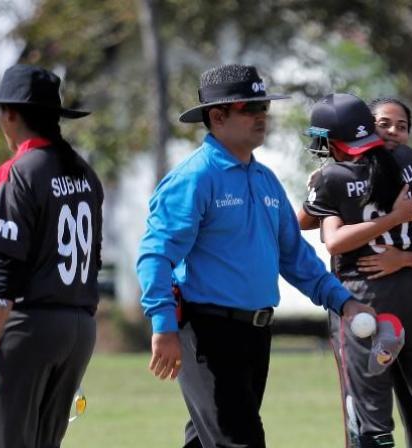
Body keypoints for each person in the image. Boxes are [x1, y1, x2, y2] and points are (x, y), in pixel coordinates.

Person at [136, 64, 374, 447]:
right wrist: (162, 324)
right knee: (241, 440)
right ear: (217, 116)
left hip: (255, 334)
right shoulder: (195, 177)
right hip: (207, 332)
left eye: (264, 105)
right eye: (250, 107)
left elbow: (295, 257)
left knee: (208, 440)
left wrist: (344, 303)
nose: (261, 115)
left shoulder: (264, 179)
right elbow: (155, 255)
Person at [303, 93, 412, 448]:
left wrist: (389, 216)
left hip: (362, 297)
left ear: (331, 141)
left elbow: (332, 240)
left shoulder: (332, 175)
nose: (393, 131)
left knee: (370, 419)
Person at [0, 64, 104, 448]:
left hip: (28, 327)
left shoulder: (18, 172)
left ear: (9, 114)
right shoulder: (84, 173)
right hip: (78, 328)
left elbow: (7, 265)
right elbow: (92, 257)